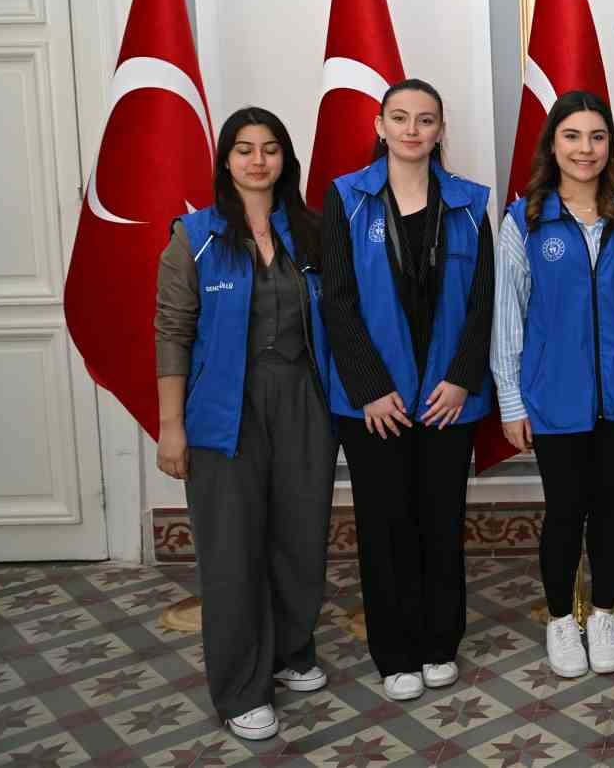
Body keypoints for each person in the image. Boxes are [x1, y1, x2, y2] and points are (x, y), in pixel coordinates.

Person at [153, 107, 337, 742]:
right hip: (223, 409)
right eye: (244, 149)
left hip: (304, 402)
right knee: (232, 550)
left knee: (300, 536)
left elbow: (344, 316)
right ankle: (240, 689)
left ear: (286, 159)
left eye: (270, 149)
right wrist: (171, 425)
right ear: (225, 161)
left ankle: (289, 650)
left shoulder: (312, 232)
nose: (258, 161)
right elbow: (172, 331)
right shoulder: (195, 236)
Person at [319, 78, 495, 702]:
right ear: (380, 125)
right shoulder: (346, 198)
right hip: (376, 404)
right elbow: (336, 300)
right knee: (385, 525)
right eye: (400, 118)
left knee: (441, 522)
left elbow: (484, 301)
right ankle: (394, 654)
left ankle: (440, 643)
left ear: (441, 130)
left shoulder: (470, 203)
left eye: (425, 119)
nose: (412, 130)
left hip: (447, 398)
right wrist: (369, 387)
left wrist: (461, 378)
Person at [491, 91, 614, 679]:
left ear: (610, 145)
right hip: (553, 394)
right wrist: (511, 400)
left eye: (597, 136)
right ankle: (561, 620)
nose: (585, 149)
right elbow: (508, 316)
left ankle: (603, 613)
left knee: (611, 505)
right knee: (565, 509)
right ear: (553, 144)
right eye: (572, 136)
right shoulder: (524, 220)